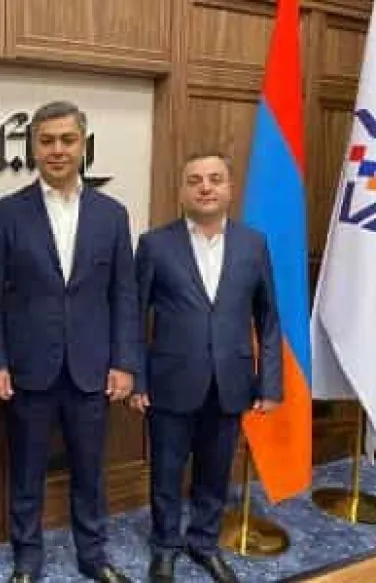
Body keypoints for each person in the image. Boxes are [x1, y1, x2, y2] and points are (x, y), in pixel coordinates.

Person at [0, 101, 139, 583]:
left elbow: (124, 295)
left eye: (67, 139)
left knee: (90, 471)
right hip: (27, 369)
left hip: (92, 368)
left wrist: (125, 361)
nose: (57, 150)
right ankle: (27, 558)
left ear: (83, 144)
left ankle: (93, 555)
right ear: (33, 147)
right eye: (46, 140)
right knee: (26, 471)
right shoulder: (7, 213)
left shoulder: (112, 214)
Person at [131, 152, 282, 583]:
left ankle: (204, 544)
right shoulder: (155, 245)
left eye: (215, 179)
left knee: (216, 473)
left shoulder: (254, 244)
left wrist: (270, 383)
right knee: (166, 473)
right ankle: (165, 546)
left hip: (231, 381)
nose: (205, 187)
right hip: (169, 382)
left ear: (230, 188)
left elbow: (269, 318)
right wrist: (136, 378)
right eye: (195, 180)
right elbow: (133, 317)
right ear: (181, 191)